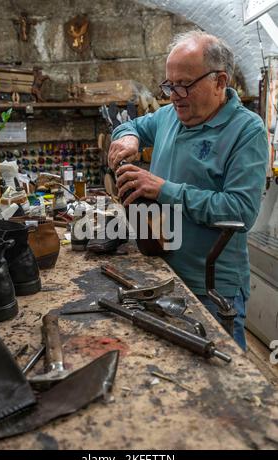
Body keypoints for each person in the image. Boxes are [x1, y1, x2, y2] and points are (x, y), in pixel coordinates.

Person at [108, 30, 269, 351]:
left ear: (220, 81)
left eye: (184, 84)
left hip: (211, 286)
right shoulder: (169, 116)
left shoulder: (247, 131)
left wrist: (164, 190)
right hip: (163, 274)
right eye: (168, 85)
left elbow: (240, 211)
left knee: (227, 379)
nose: (174, 95)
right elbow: (133, 125)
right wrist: (128, 136)